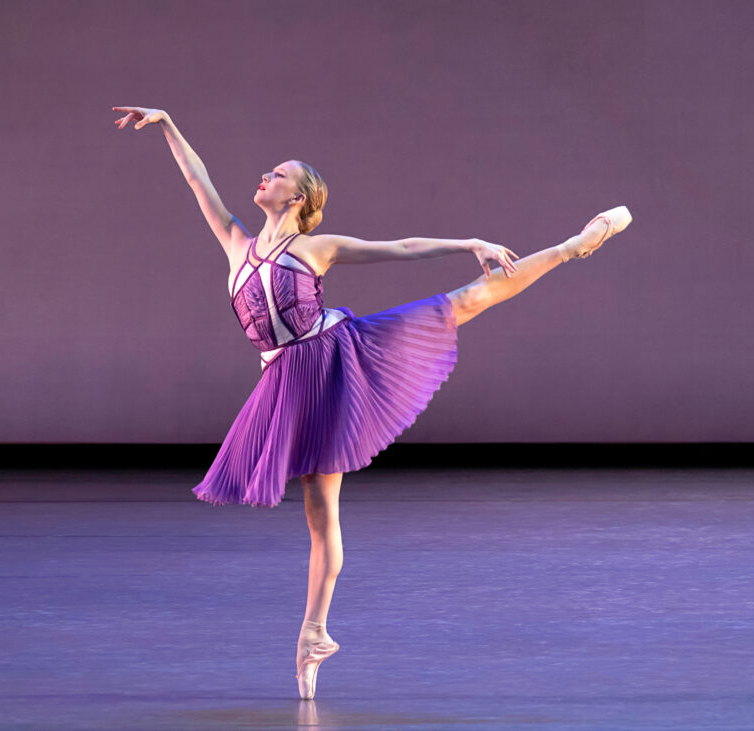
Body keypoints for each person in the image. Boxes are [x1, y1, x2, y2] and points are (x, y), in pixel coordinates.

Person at [111, 105, 632, 700]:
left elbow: (403, 247)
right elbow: (196, 179)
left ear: (301, 196)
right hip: (286, 382)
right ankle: (314, 635)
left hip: (335, 359)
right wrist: (170, 124)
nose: (265, 176)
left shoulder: (317, 246)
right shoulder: (236, 242)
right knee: (320, 515)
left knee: (462, 302)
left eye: (278, 174)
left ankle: (573, 246)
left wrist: (470, 241)